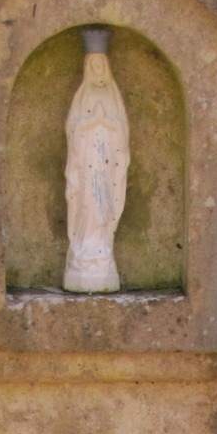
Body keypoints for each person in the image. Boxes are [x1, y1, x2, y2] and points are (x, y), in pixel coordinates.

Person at [63, 26, 129, 292]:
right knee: (85, 205)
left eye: (102, 66)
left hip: (106, 164)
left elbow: (122, 130)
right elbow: (72, 128)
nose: (99, 72)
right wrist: (90, 123)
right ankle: (82, 254)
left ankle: (102, 250)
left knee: (103, 208)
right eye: (94, 66)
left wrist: (108, 124)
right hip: (86, 164)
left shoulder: (111, 96)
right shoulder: (84, 95)